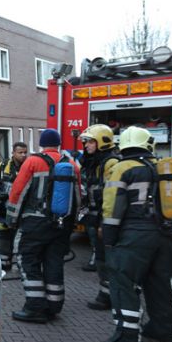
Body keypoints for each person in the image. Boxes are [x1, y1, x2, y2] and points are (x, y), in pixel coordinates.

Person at [101, 126, 172, 342]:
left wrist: (109, 239)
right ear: (149, 144)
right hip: (164, 234)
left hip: (134, 234)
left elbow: (113, 205)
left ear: (123, 145)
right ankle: (163, 330)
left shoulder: (122, 167)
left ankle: (127, 338)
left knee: (123, 282)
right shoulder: (161, 166)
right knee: (161, 283)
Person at [6, 128, 81, 323]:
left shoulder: (33, 161)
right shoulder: (71, 164)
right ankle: (54, 305)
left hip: (35, 223)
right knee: (54, 262)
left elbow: (17, 192)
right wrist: (70, 225)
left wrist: (11, 218)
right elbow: (79, 197)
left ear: (42, 144)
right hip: (61, 224)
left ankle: (35, 307)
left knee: (26, 258)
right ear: (57, 144)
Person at [77, 124, 120, 310]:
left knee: (108, 260)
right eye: (85, 141)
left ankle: (109, 296)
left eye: (90, 141)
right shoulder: (93, 162)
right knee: (102, 259)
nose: (86, 145)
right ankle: (106, 294)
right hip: (95, 217)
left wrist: (104, 222)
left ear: (102, 142)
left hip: (105, 219)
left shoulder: (110, 163)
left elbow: (111, 195)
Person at [0, 141, 28, 271]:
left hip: (23, 210)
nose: (23, 155)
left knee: (20, 239)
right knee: (4, 238)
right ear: (13, 153)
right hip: (4, 210)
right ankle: (4, 265)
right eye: (20, 152)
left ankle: (20, 266)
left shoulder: (29, 166)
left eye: (25, 152)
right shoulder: (2, 166)